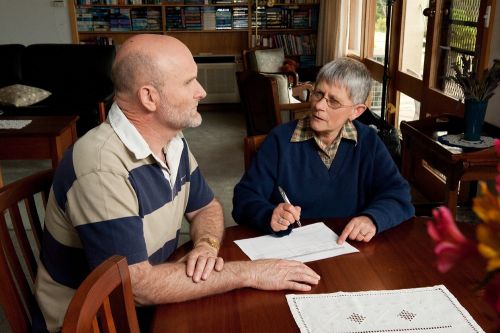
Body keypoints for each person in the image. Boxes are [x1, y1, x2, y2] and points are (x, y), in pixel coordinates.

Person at [34, 34, 320, 333]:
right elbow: (135, 288)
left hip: (153, 292)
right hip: (96, 321)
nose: (202, 92)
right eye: (189, 82)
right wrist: (249, 273)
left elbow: (206, 207)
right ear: (149, 97)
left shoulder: (171, 141)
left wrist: (207, 247)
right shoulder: (102, 167)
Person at [232, 57, 414, 243]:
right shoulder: (280, 140)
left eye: (333, 101)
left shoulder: (368, 141)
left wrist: (372, 219)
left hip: (346, 248)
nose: (319, 105)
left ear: (356, 111)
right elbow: (244, 198)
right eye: (318, 94)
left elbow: (399, 196)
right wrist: (268, 214)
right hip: (289, 248)